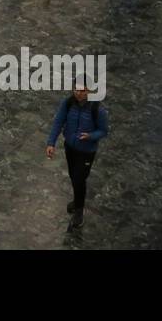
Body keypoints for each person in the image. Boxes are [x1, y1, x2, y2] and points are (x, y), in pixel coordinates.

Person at [46, 82, 109, 230]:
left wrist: (91, 136)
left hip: (86, 152)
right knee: (73, 176)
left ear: (88, 90)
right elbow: (58, 122)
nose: (78, 93)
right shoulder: (68, 103)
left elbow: (104, 131)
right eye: (76, 89)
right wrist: (51, 143)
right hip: (70, 147)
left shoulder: (97, 109)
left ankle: (79, 212)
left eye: (82, 90)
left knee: (80, 179)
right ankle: (77, 201)